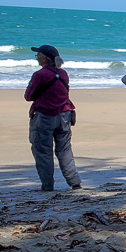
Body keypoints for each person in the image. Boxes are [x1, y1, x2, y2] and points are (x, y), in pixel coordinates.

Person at [24, 45, 82, 191]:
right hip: (64, 115)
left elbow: (28, 96)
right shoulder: (63, 74)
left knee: (43, 151)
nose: (36, 58)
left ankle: (47, 186)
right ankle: (75, 182)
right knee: (65, 150)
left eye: (38, 56)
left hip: (44, 116)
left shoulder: (40, 75)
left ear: (44, 59)